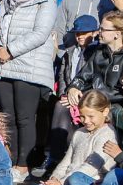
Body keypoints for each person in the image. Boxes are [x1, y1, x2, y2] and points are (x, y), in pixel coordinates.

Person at [0, 0, 57, 182]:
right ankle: (10, 161)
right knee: (7, 118)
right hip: (4, 64)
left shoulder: (45, 0)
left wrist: (11, 50)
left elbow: (40, 33)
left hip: (29, 65)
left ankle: (23, 164)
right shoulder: (8, 0)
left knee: (25, 118)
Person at [21, 90, 117, 185]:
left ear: (105, 112)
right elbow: (67, 160)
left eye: (91, 116)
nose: (86, 121)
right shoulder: (79, 133)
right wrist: (55, 178)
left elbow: (91, 168)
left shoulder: (107, 134)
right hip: (66, 180)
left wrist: (61, 183)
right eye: (82, 116)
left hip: (88, 183)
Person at [65, 11, 123, 144]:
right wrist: (74, 88)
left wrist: (90, 96)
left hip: (113, 104)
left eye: (103, 29)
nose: (99, 32)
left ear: (117, 34)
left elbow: (122, 92)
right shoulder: (99, 51)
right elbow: (82, 76)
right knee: (62, 106)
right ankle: (61, 155)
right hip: (92, 99)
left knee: (111, 113)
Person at [42, 15, 100, 176]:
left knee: (62, 109)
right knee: (59, 105)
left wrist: (79, 97)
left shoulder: (96, 52)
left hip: (87, 98)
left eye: (84, 33)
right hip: (69, 97)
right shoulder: (70, 52)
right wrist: (65, 94)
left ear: (95, 33)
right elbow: (62, 76)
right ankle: (55, 156)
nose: (80, 36)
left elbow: (93, 78)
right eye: (77, 33)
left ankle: (58, 158)